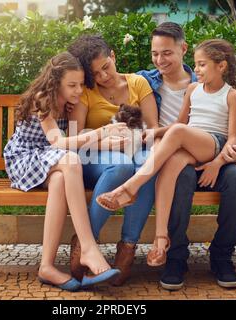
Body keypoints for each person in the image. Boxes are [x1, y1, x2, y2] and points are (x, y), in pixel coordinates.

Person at [99, 23, 236, 290]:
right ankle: (167, 249)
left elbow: (233, 141)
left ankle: (222, 256)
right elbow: (178, 124)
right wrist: (148, 135)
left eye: (166, 53)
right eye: (155, 54)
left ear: (183, 49)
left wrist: (217, 163)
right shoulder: (148, 81)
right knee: (175, 173)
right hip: (180, 150)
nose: (159, 60)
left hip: (215, 153)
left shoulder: (221, 90)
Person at [3, 52, 123, 291]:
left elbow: (74, 141)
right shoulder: (42, 100)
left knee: (60, 179)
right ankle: (88, 246)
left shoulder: (69, 101)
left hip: (49, 161)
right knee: (69, 162)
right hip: (24, 159)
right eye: (72, 85)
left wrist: (105, 143)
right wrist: (100, 134)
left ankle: (46, 266)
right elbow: (58, 142)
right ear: (55, 82)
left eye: (80, 84)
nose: (78, 90)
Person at [67, 35, 159, 286]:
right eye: (95, 73)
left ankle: (127, 247)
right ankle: (86, 243)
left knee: (147, 166)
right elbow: (74, 137)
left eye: (106, 67)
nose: (104, 76)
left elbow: (154, 131)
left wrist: (134, 138)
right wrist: (106, 142)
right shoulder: (86, 91)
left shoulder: (138, 83)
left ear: (114, 56)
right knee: (121, 164)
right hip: (92, 158)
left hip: (136, 147)